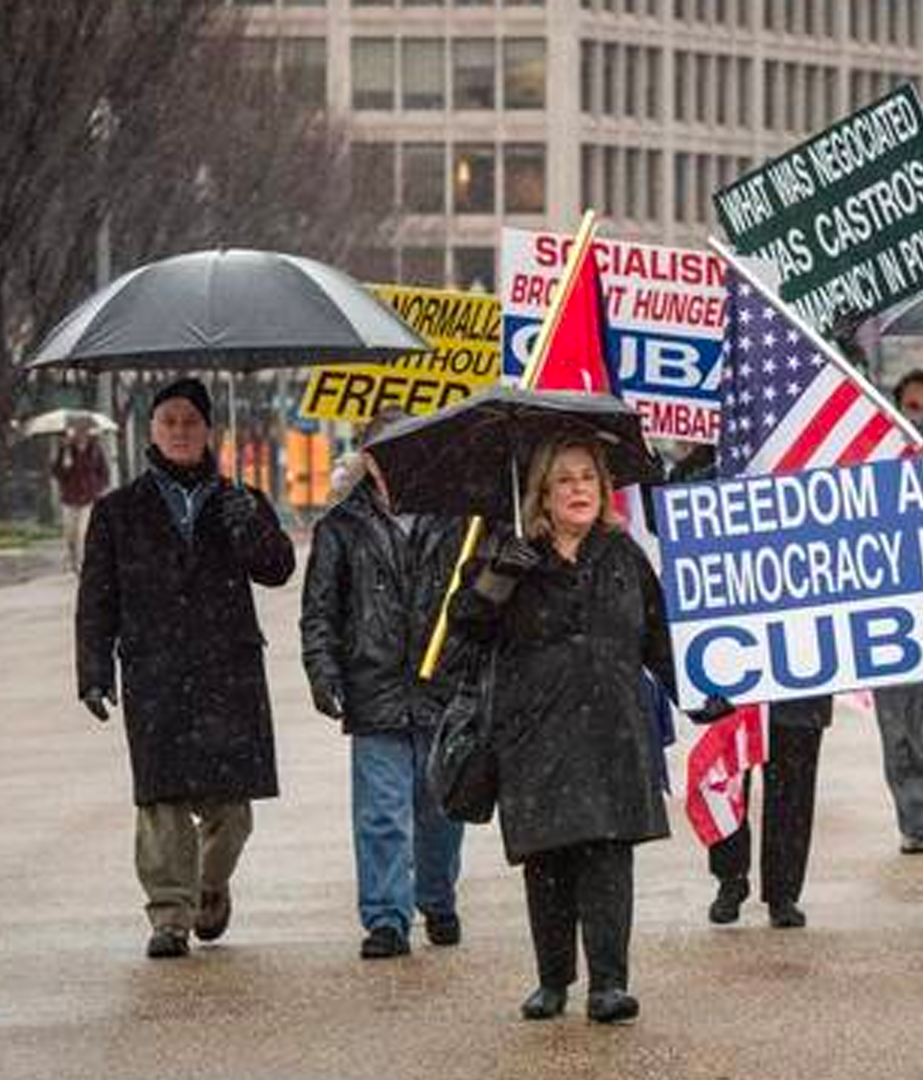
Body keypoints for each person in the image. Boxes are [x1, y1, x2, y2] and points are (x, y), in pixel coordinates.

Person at [456, 436, 684, 1025]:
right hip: (537, 733)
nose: (579, 489)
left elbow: (660, 636)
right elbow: (466, 629)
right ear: (543, 494)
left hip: (612, 729)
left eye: (588, 478)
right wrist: (498, 576)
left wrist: (697, 692)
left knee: (609, 856)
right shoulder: (507, 551)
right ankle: (553, 980)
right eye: (565, 480)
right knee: (549, 861)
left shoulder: (622, 553)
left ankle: (609, 984)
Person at [75, 377, 296, 960]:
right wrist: (94, 670)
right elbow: (97, 599)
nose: (179, 431)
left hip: (228, 671)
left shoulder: (238, 499)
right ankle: (169, 916)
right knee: (162, 804)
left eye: (190, 421)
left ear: (208, 431)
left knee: (232, 812)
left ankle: (208, 886)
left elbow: (277, 570)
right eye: (169, 420)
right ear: (151, 430)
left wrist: (249, 522)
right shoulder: (116, 512)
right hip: (157, 674)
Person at [300, 409, 471, 960]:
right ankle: (386, 918)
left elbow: (478, 595)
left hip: (441, 686)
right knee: (381, 811)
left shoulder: (458, 521)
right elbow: (320, 609)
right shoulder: (340, 528)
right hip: (374, 687)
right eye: (384, 447)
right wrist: (322, 670)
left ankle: (436, 896)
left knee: (440, 806)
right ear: (367, 457)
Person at [872, 366, 923, 854]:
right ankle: (914, 817)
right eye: (912, 407)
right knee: (899, 725)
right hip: (889, 616)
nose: (920, 417)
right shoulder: (874, 465)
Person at [705, 696, 830, 928]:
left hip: (797, 690)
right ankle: (732, 878)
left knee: (792, 787)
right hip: (737, 688)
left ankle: (782, 891)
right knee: (729, 782)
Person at [52, 421, 109, 575]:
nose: (80, 435)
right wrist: (64, 457)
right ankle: (72, 560)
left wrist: (98, 488)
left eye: (83, 431)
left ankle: (82, 564)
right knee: (70, 535)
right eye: (78, 431)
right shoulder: (66, 450)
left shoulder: (95, 450)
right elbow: (57, 474)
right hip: (69, 498)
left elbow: (104, 473)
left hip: (88, 499)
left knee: (82, 533)